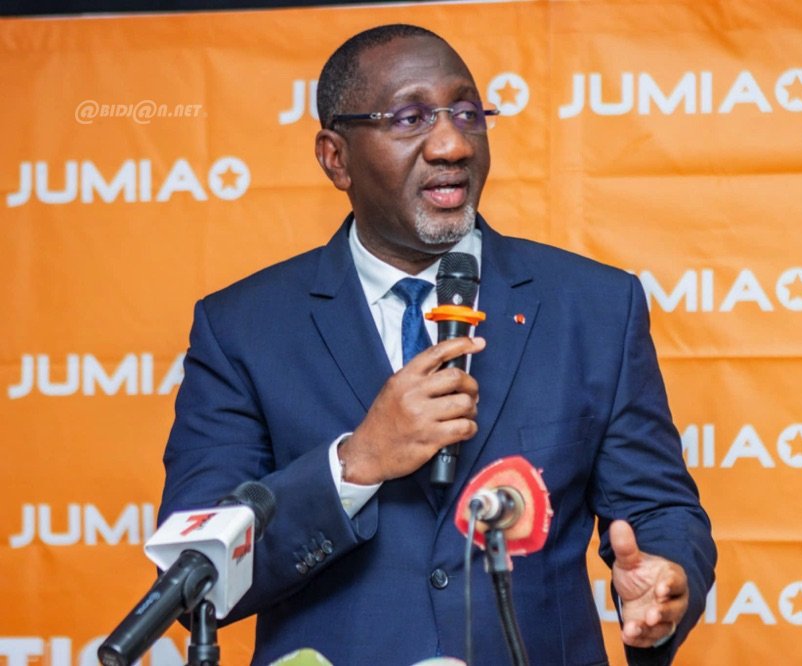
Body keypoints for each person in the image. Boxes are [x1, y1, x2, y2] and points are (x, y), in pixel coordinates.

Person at [159, 23, 715, 666]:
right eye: (410, 118)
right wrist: (355, 463)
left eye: (468, 113)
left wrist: (666, 581)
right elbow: (195, 578)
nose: (452, 144)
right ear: (335, 157)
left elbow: (657, 508)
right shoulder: (244, 328)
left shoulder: (593, 305)